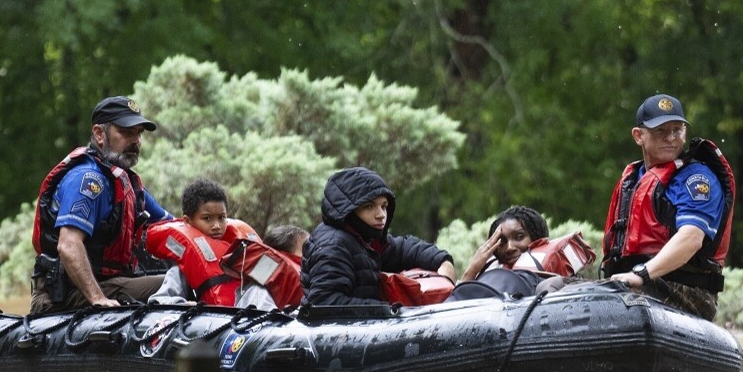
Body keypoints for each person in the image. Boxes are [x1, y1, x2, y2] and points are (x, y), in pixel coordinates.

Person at [30, 96, 174, 313]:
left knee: (180, 276)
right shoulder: (88, 181)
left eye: (138, 134)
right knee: (172, 284)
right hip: (67, 294)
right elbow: (68, 245)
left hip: (111, 284)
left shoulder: (126, 184)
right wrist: (98, 299)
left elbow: (172, 227)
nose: (135, 141)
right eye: (126, 132)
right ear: (99, 134)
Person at [601, 94, 735, 321]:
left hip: (686, 289)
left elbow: (691, 239)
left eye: (677, 129)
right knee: (554, 285)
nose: (671, 138)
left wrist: (642, 274)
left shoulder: (697, 179)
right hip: (633, 283)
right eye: (661, 131)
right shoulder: (633, 179)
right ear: (638, 136)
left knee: (620, 299)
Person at [301, 167, 455, 306]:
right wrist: (389, 310)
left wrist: (442, 261)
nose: (381, 215)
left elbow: (401, 249)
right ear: (348, 210)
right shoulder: (333, 245)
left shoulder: (362, 238)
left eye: (384, 206)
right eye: (369, 206)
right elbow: (326, 304)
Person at [146, 179, 306, 309]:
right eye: (207, 218)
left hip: (260, 313)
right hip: (228, 323)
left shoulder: (242, 251)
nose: (216, 225)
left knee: (262, 289)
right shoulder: (183, 267)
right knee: (257, 291)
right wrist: (187, 306)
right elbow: (160, 300)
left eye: (221, 218)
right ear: (188, 221)